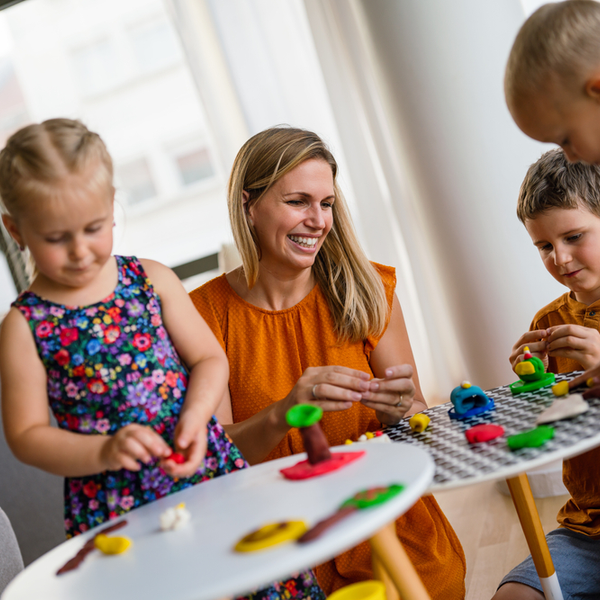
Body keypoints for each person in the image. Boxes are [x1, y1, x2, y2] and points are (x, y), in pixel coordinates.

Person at [0, 119, 325, 600]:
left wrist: (196, 418)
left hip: (203, 466)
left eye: (93, 228)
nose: (80, 251)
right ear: (15, 230)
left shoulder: (151, 279)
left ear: (112, 209)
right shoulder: (24, 326)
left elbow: (210, 361)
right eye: (56, 238)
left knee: (264, 580)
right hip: (115, 505)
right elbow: (27, 436)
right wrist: (104, 452)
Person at [190, 126, 466, 599]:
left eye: (327, 204)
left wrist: (400, 411)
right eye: (298, 201)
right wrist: (284, 410)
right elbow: (218, 457)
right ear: (248, 205)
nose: (318, 220)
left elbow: (418, 416)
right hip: (279, 537)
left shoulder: (369, 292)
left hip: (379, 516)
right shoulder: (203, 314)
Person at [494, 149, 600, 600]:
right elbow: (555, 422)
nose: (559, 257)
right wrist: (531, 388)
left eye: (574, 236)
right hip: (587, 529)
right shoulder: (549, 323)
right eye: (543, 246)